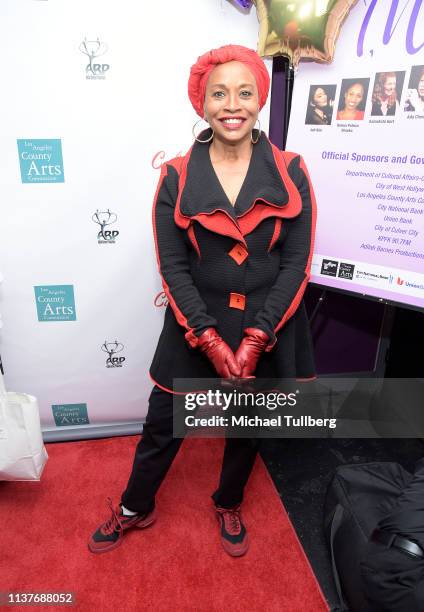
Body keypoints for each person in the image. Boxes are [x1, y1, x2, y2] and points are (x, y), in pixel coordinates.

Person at [88, 44, 317, 557]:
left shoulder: (293, 170)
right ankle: (134, 506)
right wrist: (209, 338)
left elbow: (296, 265)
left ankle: (228, 500)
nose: (231, 104)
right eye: (219, 93)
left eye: (244, 92)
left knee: (247, 426)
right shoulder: (175, 175)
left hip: (270, 321)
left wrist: (257, 338)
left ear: (260, 100)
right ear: (203, 103)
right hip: (196, 321)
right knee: (162, 424)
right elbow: (173, 268)